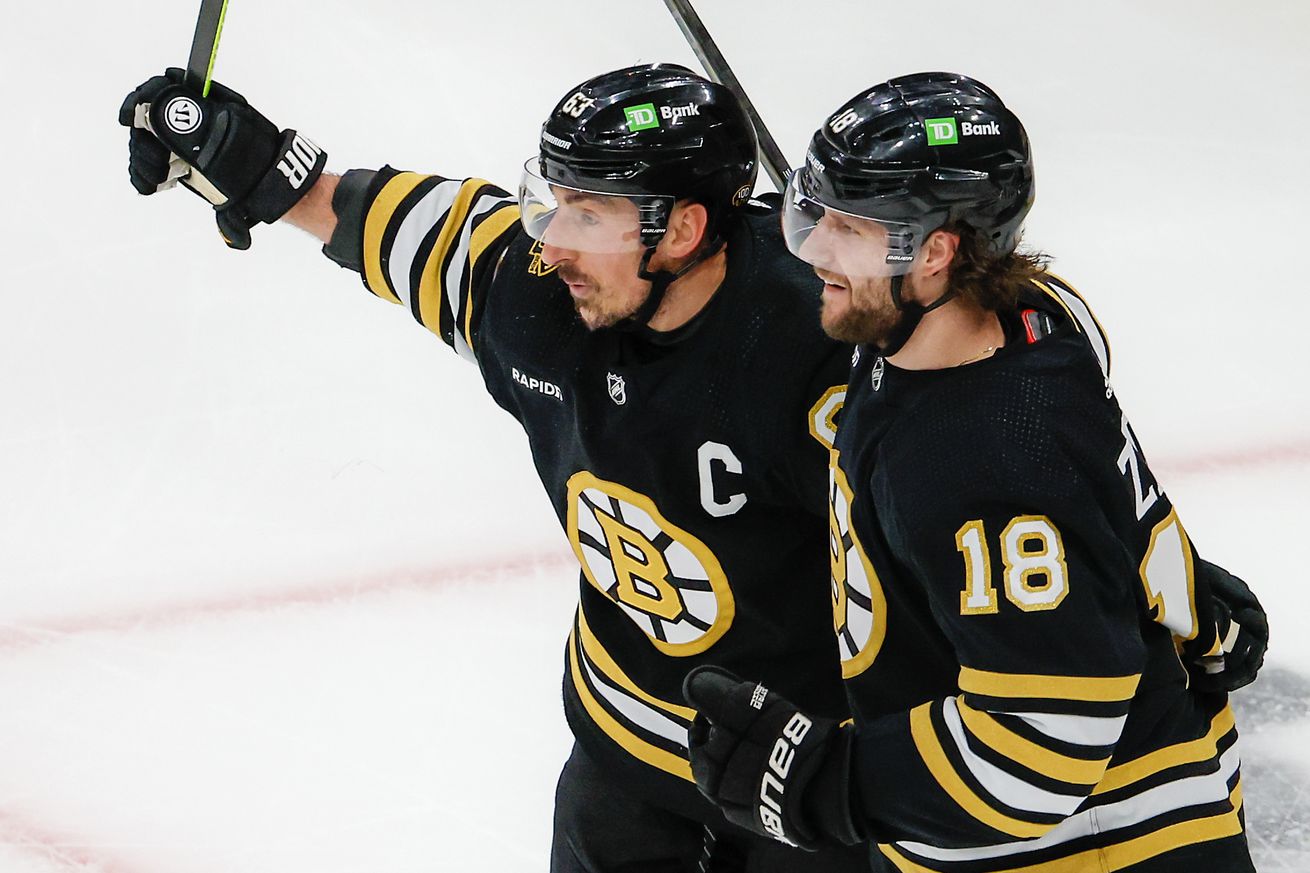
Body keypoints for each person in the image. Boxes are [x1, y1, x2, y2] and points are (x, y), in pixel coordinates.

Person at [118, 64, 870, 872]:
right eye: (553, 199)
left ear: (681, 231)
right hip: (622, 766)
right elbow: (423, 231)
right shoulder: (536, 290)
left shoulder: (827, 359)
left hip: (809, 788)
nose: (550, 239)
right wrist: (259, 167)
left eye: (587, 213)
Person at [682, 72, 1263, 872]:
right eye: (816, 211)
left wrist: (827, 784)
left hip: (1098, 845)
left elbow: (1045, 740)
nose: (813, 248)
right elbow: (1101, 496)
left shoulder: (983, 461)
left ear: (936, 251)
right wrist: (1183, 588)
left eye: (847, 228)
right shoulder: (1033, 311)